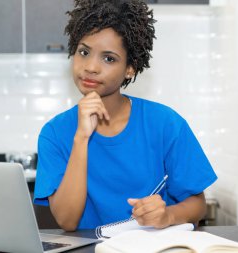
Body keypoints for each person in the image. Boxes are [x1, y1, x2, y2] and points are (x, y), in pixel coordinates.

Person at [33, 0, 217, 232]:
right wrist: (81, 138)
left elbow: (198, 205)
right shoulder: (54, 133)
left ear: (130, 68)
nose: (90, 66)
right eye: (84, 52)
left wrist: (167, 215)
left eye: (109, 58)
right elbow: (67, 221)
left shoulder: (166, 124)